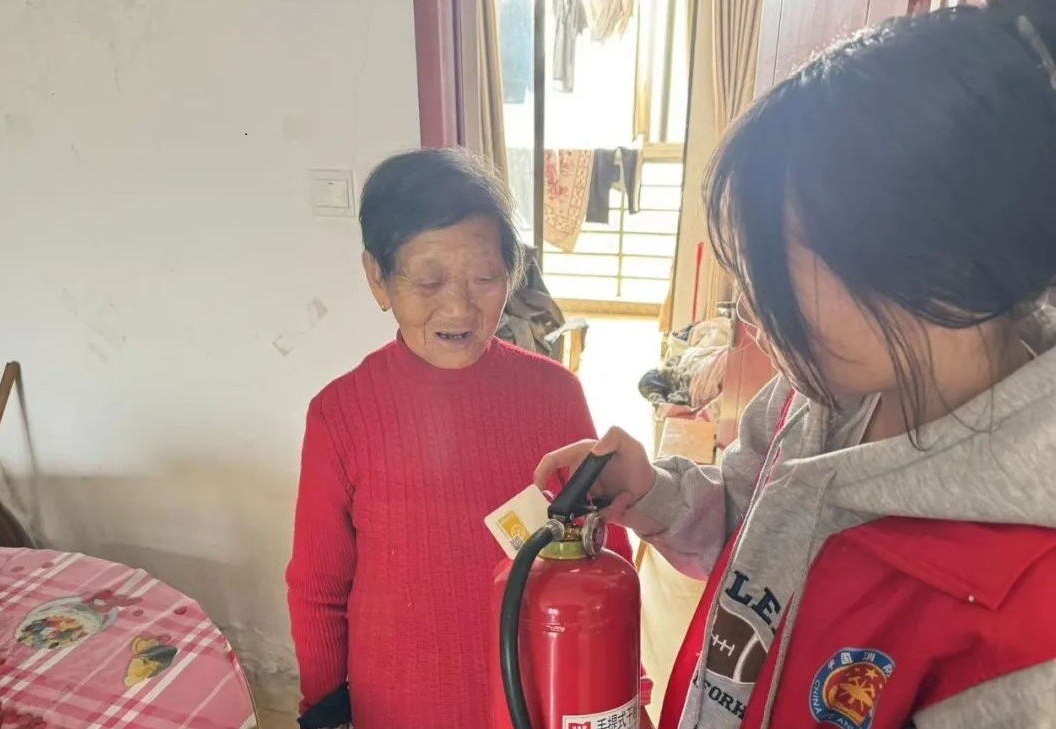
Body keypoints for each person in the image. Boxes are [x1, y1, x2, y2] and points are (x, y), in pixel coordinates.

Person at [535, 2, 1056, 727]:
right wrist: (653, 493)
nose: (749, 308)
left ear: (926, 265)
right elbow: (752, 529)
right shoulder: (803, 401)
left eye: (771, 273)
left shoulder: (1027, 623)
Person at [285, 148, 644, 729]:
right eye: (428, 281)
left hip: (533, 697)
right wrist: (325, 715)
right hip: (396, 709)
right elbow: (318, 591)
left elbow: (604, 555)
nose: (458, 307)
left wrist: (626, 696)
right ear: (378, 278)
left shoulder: (555, 396)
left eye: (484, 278)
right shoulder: (340, 415)